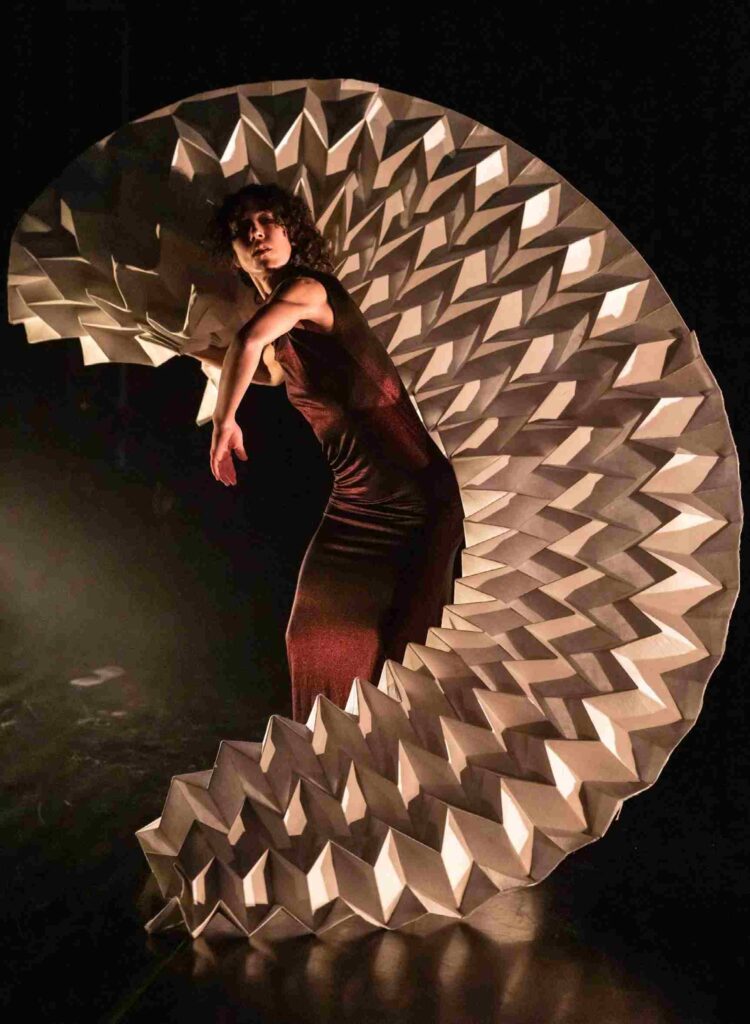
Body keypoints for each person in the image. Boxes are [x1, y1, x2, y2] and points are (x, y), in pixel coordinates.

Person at [188, 184, 465, 723]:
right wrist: (192, 350)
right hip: (355, 501)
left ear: (291, 232)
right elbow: (270, 371)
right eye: (243, 229)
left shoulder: (308, 291)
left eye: (269, 220)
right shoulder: (281, 325)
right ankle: (332, 759)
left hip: (417, 499)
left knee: (402, 656)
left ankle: (400, 761)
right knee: (311, 638)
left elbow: (248, 342)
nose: (257, 232)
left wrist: (224, 422)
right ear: (235, 255)